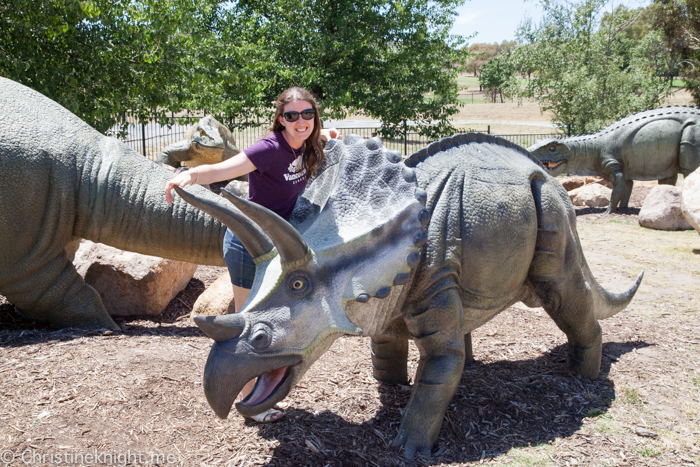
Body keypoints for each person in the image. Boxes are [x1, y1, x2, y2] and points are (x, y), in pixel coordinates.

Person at [165, 87, 340, 423]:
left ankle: (263, 391)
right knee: (247, 324)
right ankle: (250, 404)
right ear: (280, 119)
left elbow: (323, 136)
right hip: (248, 247)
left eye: (307, 114)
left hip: (275, 247)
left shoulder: (307, 143)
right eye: (291, 116)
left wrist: (327, 133)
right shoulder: (269, 148)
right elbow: (223, 170)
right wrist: (191, 174)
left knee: (274, 320)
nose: (300, 121)